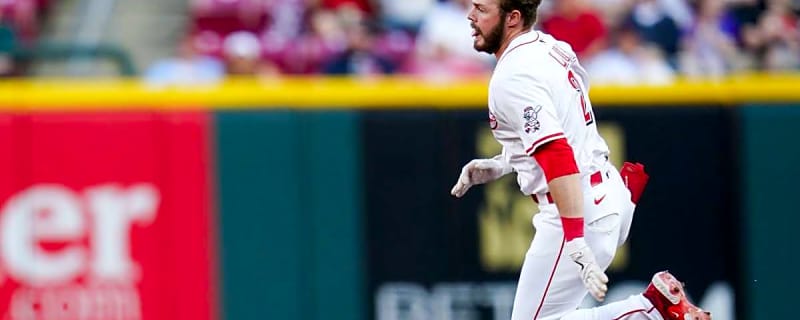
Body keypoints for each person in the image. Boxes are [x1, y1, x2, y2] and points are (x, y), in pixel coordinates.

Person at [450, 1, 712, 319]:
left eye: (481, 8)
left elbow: (557, 153)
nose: (470, 15)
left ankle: (652, 310)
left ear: (512, 18)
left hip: (576, 211)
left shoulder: (512, 76)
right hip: (607, 192)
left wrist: (575, 240)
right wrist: (507, 161)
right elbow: (568, 121)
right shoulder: (550, 46)